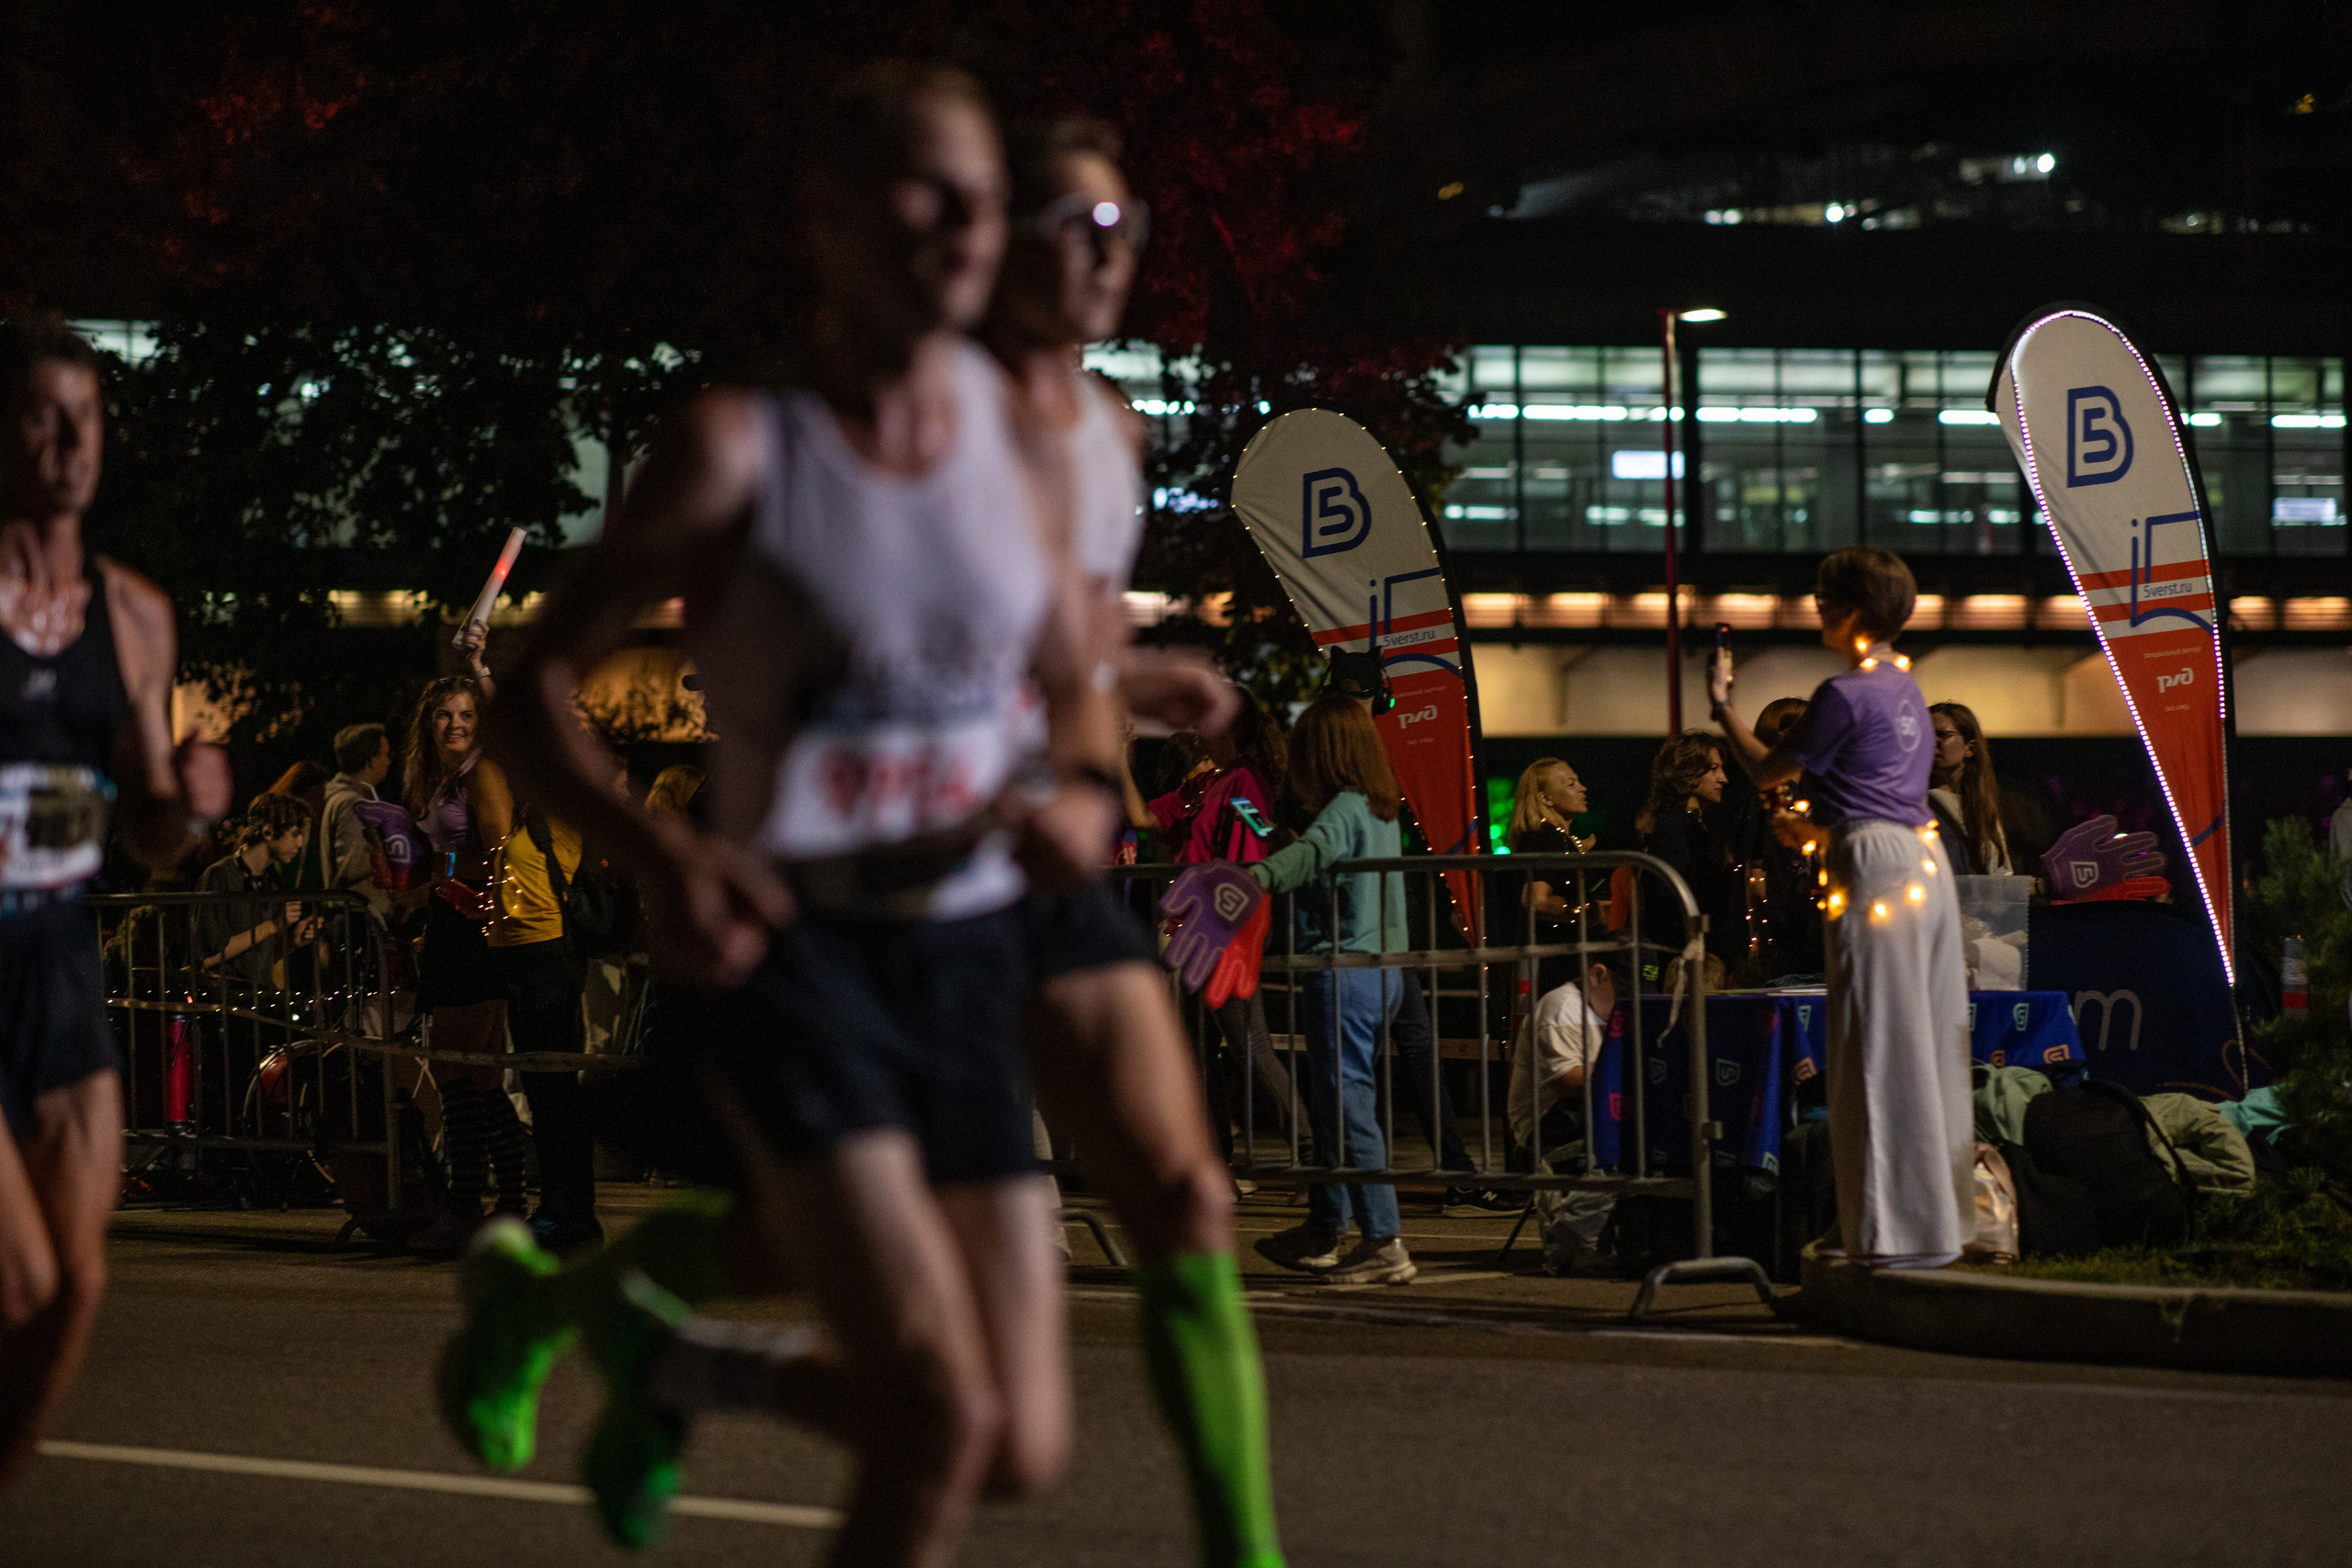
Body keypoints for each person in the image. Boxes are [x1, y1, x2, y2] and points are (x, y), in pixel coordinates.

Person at [446, 63, 1132, 1563]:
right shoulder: (740, 451)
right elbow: (527, 693)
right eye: (926, 190)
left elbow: (1069, 671)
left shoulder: (1026, 442)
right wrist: (662, 851)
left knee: (1019, 1441)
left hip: (964, 961)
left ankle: (670, 1360)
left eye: (985, 198)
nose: (968, 224)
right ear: (827, 215)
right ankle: (637, 1340)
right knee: (939, 1409)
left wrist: (1081, 782)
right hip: (801, 966)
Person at [983, 114, 1284, 1567]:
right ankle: (626, 1323)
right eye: (1081, 229)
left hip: (1069, 866)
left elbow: (1068, 637)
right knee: (901, 1324)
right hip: (923, 868)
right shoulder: (924, 415)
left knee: (1182, 1191)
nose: (1113, 261)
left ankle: (1245, 1545)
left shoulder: (1114, 433)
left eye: (1130, 231)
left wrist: (1127, 693)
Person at [0, 314, 232, 1494]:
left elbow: (151, 836)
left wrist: (190, 801)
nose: (67, 441)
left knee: (76, 1289)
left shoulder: (135, 615)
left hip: (60, 964)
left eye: (85, 416)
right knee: (24, 1281)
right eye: (41, 416)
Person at [1708, 546, 1972, 1268]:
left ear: (1853, 607)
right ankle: (1916, 1222)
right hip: (1918, 864)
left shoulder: (1845, 692)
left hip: (1873, 868)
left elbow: (1766, 766)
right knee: (1918, 1041)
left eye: (1826, 597)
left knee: (1871, 1046)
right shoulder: (1906, 690)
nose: (1816, 606)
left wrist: (1722, 707)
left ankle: (1882, 1232)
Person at [1250, 695, 1418, 1286]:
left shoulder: (1344, 810)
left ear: (1321, 754)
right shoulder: (1379, 809)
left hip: (1345, 972)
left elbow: (1311, 855)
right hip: (1383, 971)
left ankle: (1382, 1238)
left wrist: (1249, 879)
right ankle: (1325, 1227)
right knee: (1338, 1105)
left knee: (1346, 1106)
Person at [401, 674, 529, 1254]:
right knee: (464, 1072)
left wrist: (448, 874)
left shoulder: (483, 772)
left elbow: (503, 848)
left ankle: (489, 1203)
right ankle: (487, 1203)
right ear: (428, 725)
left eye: (466, 716)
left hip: (478, 927)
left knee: (469, 1070)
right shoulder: (439, 779)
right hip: (450, 924)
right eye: (444, 716)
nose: (454, 725)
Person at [1145, 688, 1294, 1156]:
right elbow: (1147, 814)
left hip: (1224, 925)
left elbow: (1252, 847)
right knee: (1207, 1048)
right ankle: (1219, 1156)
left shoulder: (1244, 782)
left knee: (1249, 1046)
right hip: (1204, 924)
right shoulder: (1217, 781)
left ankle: (1315, 1149)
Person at [487, 804, 601, 1250]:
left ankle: (571, 1215)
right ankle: (560, 1210)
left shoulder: (556, 814)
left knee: (556, 1093)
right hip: (525, 957)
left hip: (549, 956)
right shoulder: (529, 814)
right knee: (543, 1090)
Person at [1506, 955, 1623, 1275]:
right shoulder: (1562, 1008)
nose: (1626, 998)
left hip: (1586, 1112)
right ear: (1598, 974)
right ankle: (1583, 1242)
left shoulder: (1602, 1007)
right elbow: (1568, 1081)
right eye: (1622, 987)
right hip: (1550, 1122)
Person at [1638, 731, 1743, 978]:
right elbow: (1676, 897)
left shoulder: (1690, 825)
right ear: (1687, 773)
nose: (1724, 779)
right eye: (1714, 769)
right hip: (1683, 961)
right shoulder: (1674, 825)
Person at [196, 793, 322, 990]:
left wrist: (292, 942)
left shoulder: (272, 882)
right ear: (268, 832)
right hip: (225, 999)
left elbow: (257, 958)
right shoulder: (220, 876)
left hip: (260, 998)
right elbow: (208, 957)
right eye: (296, 834)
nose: (301, 844)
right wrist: (273, 925)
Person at [1506, 756, 1595, 992]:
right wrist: (1588, 912)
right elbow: (1536, 900)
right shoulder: (1546, 837)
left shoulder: (1553, 838)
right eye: (1570, 784)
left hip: (1556, 961)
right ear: (1545, 798)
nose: (1582, 788)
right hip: (1554, 967)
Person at [316, 721, 395, 919]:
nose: (389, 761)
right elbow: (352, 866)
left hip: (360, 915)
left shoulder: (351, 799)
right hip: (359, 918)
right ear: (370, 760)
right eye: (385, 754)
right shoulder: (353, 804)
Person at [1928, 702, 2011, 875]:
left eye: (1943, 735)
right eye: (1926, 734)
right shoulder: (1918, 804)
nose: (1932, 741)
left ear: (1970, 748)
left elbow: (2000, 875)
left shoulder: (1982, 807)